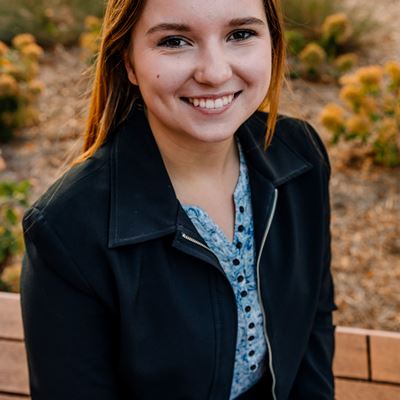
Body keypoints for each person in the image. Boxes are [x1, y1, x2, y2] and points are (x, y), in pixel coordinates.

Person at [20, 0, 337, 399]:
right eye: (174, 41)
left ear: (272, 42)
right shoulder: (66, 230)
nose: (215, 73)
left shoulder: (301, 155)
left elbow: (313, 321)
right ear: (128, 62)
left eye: (240, 34)